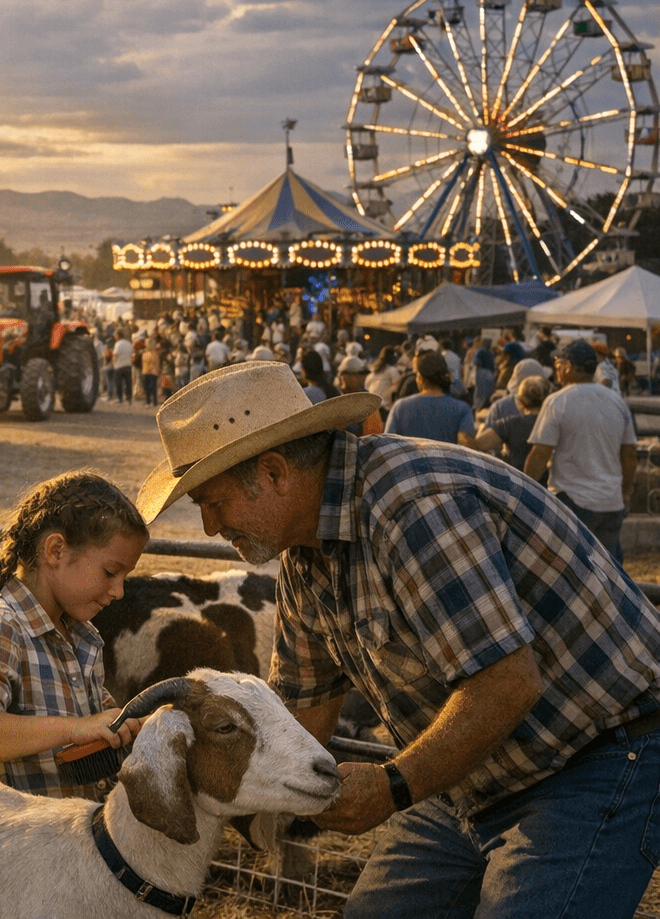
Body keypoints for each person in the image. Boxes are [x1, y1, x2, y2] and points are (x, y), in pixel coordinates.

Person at [137, 360, 660, 919]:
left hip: (597, 755)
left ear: (273, 473)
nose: (211, 528)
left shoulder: (411, 506)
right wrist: (192, 761)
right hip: (474, 772)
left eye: (214, 503)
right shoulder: (305, 556)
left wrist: (393, 786)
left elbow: (507, 681)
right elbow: (299, 712)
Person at [0, 470, 148, 799]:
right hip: (15, 842)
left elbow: (96, 727)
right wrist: (77, 729)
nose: (119, 591)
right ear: (55, 551)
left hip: (68, 841)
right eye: (110, 572)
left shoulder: (81, 637)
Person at [524, 339, 637, 567]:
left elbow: (539, 455)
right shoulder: (617, 402)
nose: (556, 368)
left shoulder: (558, 401)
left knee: (572, 573)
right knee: (611, 573)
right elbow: (630, 455)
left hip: (572, 501)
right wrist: (624, 493)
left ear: (569, 367)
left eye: (558, 363)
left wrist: (525, 489)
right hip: (611, 502)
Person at [384, 350, 474, 446]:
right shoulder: (462, 409)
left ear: (420, 378)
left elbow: (386, 445)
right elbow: (466, 445)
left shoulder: (400, 407)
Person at [474, 375, 550, 473]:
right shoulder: (555, 423)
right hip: (550, 484)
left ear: (520, 403)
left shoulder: (508, 424)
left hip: (517, 481)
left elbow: (479, 444)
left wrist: (482, 427)